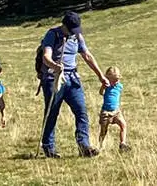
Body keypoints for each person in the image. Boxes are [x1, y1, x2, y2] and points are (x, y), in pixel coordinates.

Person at [39, 11, 109, 158]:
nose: (73, 32)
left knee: (81, 111)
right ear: (64, 25)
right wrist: (55, 65)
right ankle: (48, 147)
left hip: (73, 78)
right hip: (54, 78)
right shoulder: (53, 34)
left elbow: (87, 56)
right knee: (52, 113)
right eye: (71, 29)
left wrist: (101, 76)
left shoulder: (76, 36)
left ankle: (84, 146)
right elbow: (46, 56)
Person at [98, 66, 130, 152]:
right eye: (113, 80)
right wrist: (103, 87)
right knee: (103, 130)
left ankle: (122, 143)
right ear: (107, 78)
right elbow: (101, 93)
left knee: (123, 125)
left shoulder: (119, 86)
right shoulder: (106, 86)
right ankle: (101, 146)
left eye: (117, 79)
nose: (115, 82)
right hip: (106, 112)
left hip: (116, 111)